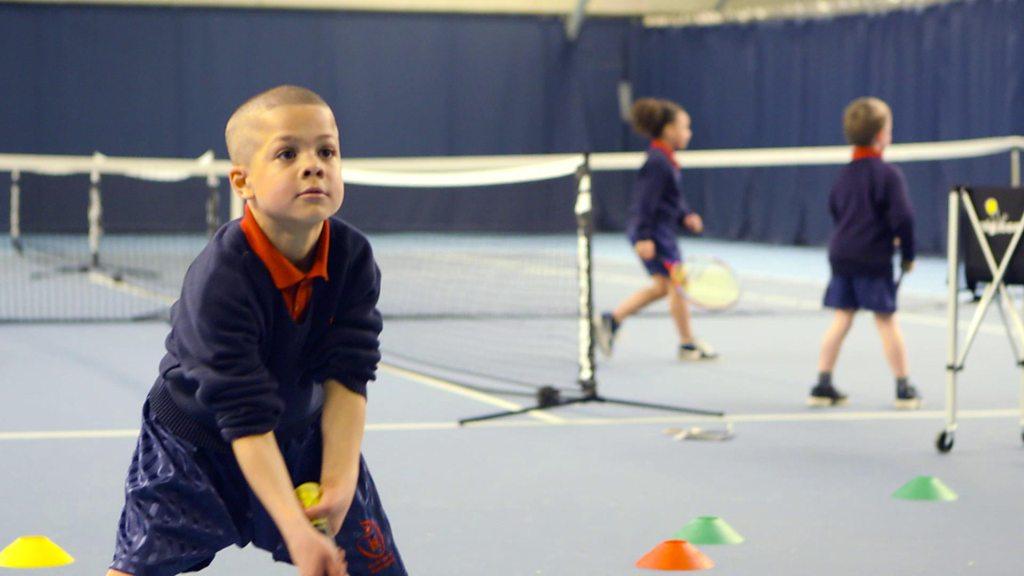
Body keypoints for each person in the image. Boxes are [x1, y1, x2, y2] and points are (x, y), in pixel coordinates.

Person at [107, 85, 406, 576]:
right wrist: (294, 528)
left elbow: (349, 376)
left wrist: (338, 481)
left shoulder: (353, 258)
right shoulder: (221, 280)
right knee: (138, 569)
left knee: (372, 566)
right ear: (242, 181)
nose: (313, 165)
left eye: (326, 150)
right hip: (193, 447)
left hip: (302, 437)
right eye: (287, 153)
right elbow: (243, 414)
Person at [808, 96, 920, 410]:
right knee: (886, 321)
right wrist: (908, 253)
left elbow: (836, 210)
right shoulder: (888, 175)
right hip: (872, 259)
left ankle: (822, 383)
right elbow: (904, 218)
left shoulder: (844, 175)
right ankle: (903, 388)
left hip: (841, 255)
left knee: (842, 318)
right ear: (880, 135)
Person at [596, 98, 716, 361]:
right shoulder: (657, 163)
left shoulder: (666, 160)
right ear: (669, 130)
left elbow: (671, 197)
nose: (689, 133)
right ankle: (686, 344)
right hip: (656, 235)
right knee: (677, 285)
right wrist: (644, 236)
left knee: (664, 287)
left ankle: (612, 320)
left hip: (663, 232)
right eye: (685, 128)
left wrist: (686, 215)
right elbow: (644, 202)